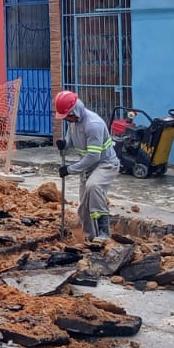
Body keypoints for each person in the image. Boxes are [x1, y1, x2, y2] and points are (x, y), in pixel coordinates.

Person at [54, 90, 118, 241]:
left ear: (75, 111)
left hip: (105, 164)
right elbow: (70, 140)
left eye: (68, 116)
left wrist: (70, 169)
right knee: (84, 209)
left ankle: (104, 232)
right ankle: (91, 239)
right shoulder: (73, 122)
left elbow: (93, 156)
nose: (67, 119)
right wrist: (65, 144)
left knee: (93, 186)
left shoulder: (93, 125)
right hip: (87, 168)